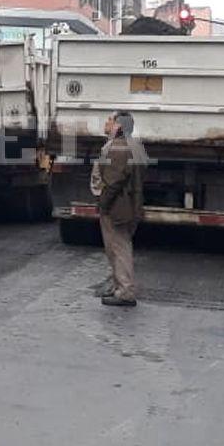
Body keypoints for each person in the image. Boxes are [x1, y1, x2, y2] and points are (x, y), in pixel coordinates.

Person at [93, 110, 143, 307]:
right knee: (116, 247)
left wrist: (103, 204)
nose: (106, 123)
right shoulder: (130, 145)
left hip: (118, 206)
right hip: (125, 203)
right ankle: (120, 286)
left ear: (119, 125)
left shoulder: (119, 147)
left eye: (110, 120)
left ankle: (125, 291)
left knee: (119, 247)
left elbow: (114, 181)